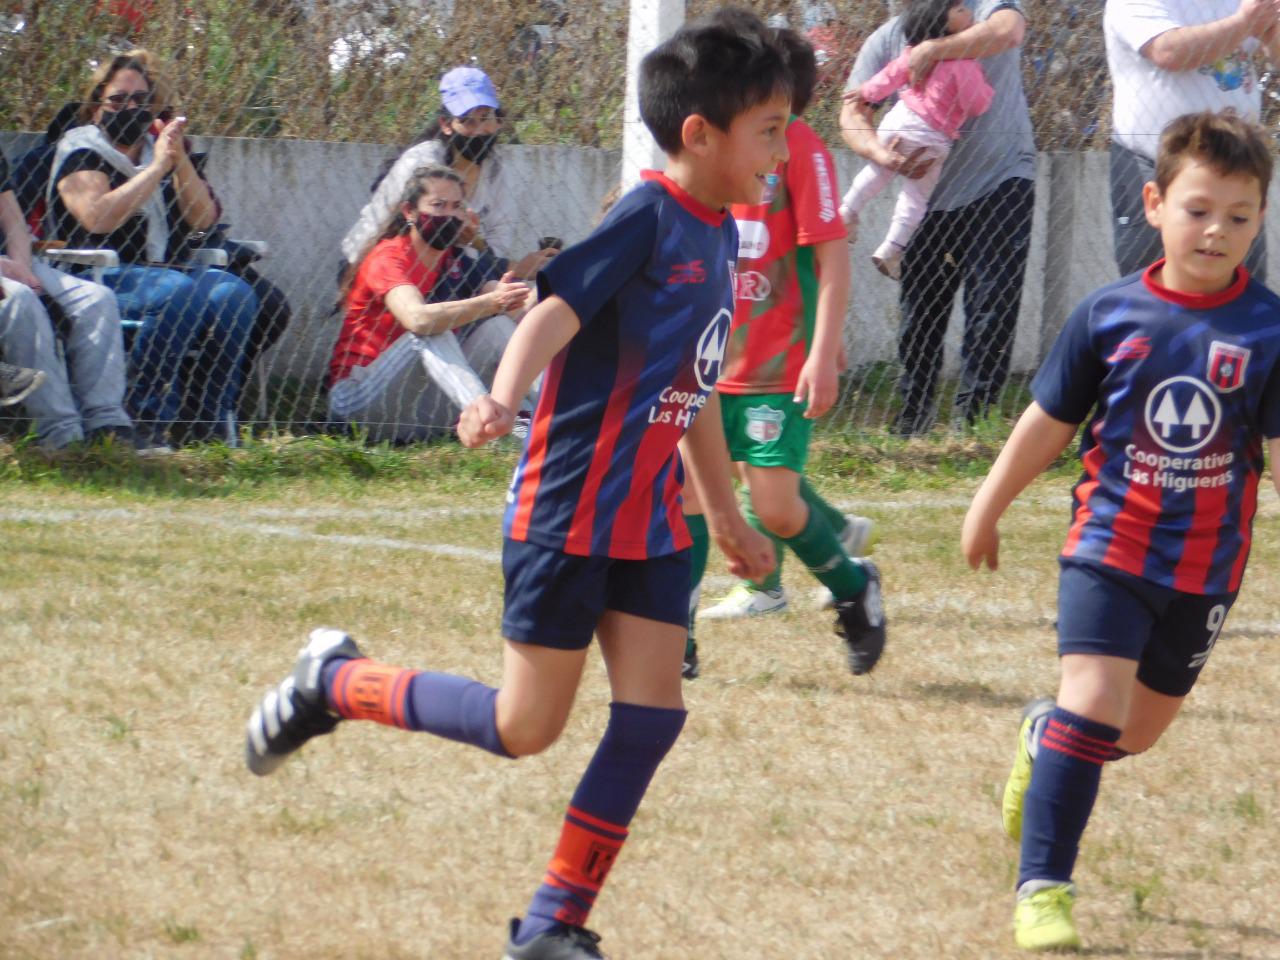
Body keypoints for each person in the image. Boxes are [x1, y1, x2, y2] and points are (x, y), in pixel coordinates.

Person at [244, 12, 786, 959]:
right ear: (700, 133)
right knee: (522, 725)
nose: (781, 150)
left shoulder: (725, 237)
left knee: (652, 718)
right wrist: (500, 398)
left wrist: (729, 515)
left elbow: (690, 385)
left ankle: (551, 926)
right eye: (770, 130)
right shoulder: (647, 216)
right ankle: (333, 681)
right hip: (570, 509)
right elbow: (547, 317)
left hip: (652, 525)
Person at [962, 111, 1280, 952]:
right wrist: (986, 504)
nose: (1217, 230)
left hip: (1208, 566)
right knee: (1096, 705)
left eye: (1240, 216)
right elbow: (1046, 422)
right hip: (1109, 547)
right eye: (1199, 208)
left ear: (1260, 220)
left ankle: (1043, 734)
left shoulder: (1269, 329)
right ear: (1153, 202)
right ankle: (1043, 887)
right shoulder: (1108, 314)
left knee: (1130, 733)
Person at [687, 22, 883, 684]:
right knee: (689, 490)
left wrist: (822, 353)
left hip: (776, 362)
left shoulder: (797, 146)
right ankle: (673, 634)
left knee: (770, 505)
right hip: (709, 359)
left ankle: (854, 588)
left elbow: (831, 253)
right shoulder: (706, 139)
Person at [840, 0, 1036, 434]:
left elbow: (1009, 31)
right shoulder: (888, 37)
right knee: (920, 317)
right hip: (927, 194)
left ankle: (975, 425)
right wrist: (882, 155)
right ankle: (913, 421)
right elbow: (852, 111)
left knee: (992, 306)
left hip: (1001, 179)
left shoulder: (983, 8)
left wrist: (937, 50)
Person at [48, 49, 258, 448]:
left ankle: (207, 421)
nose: (129, 107)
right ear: (97, 106)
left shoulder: (157, 148)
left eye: (140, 100)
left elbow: (203, 220)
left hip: (161, 270)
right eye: (117, 99)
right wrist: (157, 168)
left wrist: (176, 162)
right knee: (175, 293)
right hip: (95, 273)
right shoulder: (81, 150)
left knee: (235, 294)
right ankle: (143, 416)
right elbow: (97, 217)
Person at [327, 164, 535, 443]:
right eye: (438, 205)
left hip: (416, 408)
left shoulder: (459, 258)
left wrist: (540, 300)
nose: (448, 214)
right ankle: (485, 417)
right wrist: (490, 302)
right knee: (430, 332)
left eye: (456, 206)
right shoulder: (388, 257)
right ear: (409, 212)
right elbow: (418, 319)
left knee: (499, 329)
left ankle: (537, 432)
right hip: (358, 402)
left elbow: (508, 303)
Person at [1105, 0, 1280, 279]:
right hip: (1157, 167)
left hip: (1238, 166)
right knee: (1153, 286)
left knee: (1245, 289)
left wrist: (1271, 28)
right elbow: (1169, 51)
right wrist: (1246, 22)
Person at [340, 65, 556, 282]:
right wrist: (513, 266)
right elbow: (428, 236)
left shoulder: (497, 171)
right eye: (467, 120)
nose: (480, 130)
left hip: (454, 273)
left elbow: (496, 245)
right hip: (389, 265)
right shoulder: (424, 162)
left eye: (486, 117)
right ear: (446, 124)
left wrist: (476, 243)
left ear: (499, 121)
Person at [838, 0, 994, 280]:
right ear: (942, 22)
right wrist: (985, 87)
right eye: (959, 10)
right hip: (931, 136)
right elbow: (976, 105)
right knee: (915, 195)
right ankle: (891, 248)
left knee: (877, 171)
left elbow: (888, 77)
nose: (968, 12)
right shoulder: (964, 63)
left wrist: (865, 91)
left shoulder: (914, 52)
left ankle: (847, 211)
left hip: (898, 119)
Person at [0, 145, 133, 449]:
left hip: (12, 262)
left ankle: (106, 423)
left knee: (97, 300)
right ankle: (61, 434)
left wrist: (21, 266)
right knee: (19, 299)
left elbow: (12, 219)